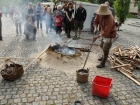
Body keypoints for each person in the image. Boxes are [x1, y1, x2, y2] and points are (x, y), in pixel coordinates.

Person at [93, 4, 116, 68]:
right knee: (101, 46)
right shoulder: (99, 14)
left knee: (106, 48)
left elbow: (106, 32)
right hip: (103, 32)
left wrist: (96, 37)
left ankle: (103, 63)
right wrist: (95, 28)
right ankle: (103, 56)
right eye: (101, 13)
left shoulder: (110, 18)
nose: (101, 15)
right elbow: (95, 21)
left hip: (110, 34)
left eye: (103, 14)